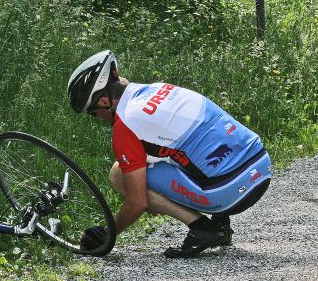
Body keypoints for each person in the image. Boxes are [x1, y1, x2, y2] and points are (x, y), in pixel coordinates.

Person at [68, 50, 273, 258]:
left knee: (119, 174)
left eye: (92, 112)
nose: (97, 118)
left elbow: (137, 202)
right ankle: (219, 221)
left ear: (104, 102)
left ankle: (202, 228)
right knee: (186, 150)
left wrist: (107, 234)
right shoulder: (160, 88)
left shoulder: (125, 126)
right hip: (262, 165)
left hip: (230, 192)